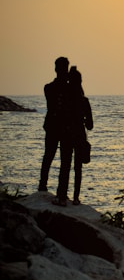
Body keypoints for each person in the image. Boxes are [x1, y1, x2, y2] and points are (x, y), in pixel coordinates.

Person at [54, 66, 93, 206]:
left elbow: (59, 117)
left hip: (66, 134)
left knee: (65, 165)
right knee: (78, 167)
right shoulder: (84, 101)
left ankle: (62, 197)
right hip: (80, 135)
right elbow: (90, 125)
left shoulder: (64, 99)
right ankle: (76, 198)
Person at [38, 57, 70, 192]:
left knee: (64, 159)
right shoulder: (50, 87)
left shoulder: (66, 88)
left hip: (63, 127)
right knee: (51, 156)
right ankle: (43, 185)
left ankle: (60, 190)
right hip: (55, 126)